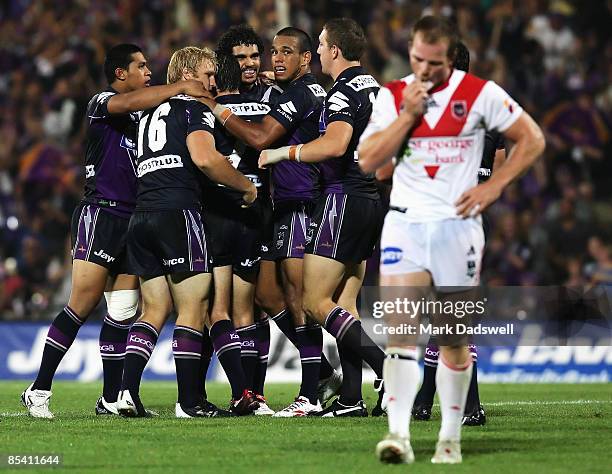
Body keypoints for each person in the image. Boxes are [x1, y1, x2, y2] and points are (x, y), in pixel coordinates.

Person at [358, 16, 545, 464]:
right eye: (418, 60)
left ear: (451, 59)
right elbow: (368, 161)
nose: (425, 70)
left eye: (435, 63)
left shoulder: (481, 94)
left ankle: (449, 438)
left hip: (457, 228)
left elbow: (532, 139)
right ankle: (398, 436)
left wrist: (494, 185)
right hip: (405, 222)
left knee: (452, 340)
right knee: (402, 334)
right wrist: (408, 117)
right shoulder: (393, 96)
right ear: (411, 52)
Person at [20, 43, 208, 419]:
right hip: (100, 214)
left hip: (134, 219)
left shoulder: (144, 118)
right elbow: (128, 104)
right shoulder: (102, 103)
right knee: (81, 304)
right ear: (121, 74)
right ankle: (38, 389)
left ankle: (110, 397)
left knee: (122, 311)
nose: (148, 71)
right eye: (140, 66)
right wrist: (179, 87)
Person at [115, 46, 257, 418]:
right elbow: (206, 159)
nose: (213, 82)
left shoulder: (146, 113)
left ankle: (125, 393)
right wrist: (245, 186)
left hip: (142, 216)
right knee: (194, 308)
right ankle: (189, 402)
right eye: (208, 75)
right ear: (189, 74)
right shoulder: (192, 108)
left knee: (154, 309)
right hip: (178, 213)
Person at [259, 17, 387, 417]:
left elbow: (335, 143)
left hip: (341, 197)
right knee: (345, 303)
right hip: (370, 199)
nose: (317, 53)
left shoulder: (342, 94)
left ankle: (387, 368)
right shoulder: (377, 89)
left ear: (333, 50)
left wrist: (283, 153)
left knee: (315, 302)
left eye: (321, 46)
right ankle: (351, 397)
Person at [204, 27, 328, 417]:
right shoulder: (216, 95)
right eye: (242, 58)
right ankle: (255, 392)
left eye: (255, 56)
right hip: (230, 208)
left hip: (276, 205)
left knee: (282, 299)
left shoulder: (276, 93)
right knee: (260, 301)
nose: (252, 63)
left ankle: (318, 377)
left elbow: (263, 137)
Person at [411, 41, 506, 426]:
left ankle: (469, 405)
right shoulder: (489, 103)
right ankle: (427, 397)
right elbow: (498, 171)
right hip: (471, 219)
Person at [200, 53, 274, 415]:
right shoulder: (266, 101)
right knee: (250, 311)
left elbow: (202, 160)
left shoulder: (205, 108)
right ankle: (255, 396)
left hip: (217, 210)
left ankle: (239, 392)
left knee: (216, 311)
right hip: (254, 212)